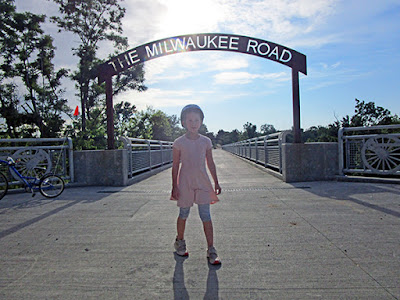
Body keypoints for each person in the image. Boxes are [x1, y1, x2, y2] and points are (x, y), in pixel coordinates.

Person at [170, 104, 222, 265]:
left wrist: (216, 182)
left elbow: (210, 163)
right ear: (183, 122)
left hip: (203, 182)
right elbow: (175, 165)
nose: (193, 123)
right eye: (189, 120)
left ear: (201, 122)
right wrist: (174, 185)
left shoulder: (206, 142)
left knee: (206, 215)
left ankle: (211, 249)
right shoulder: (179, 143)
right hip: (185, 182)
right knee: (183, 213)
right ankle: (180, 241)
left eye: (196, 120)